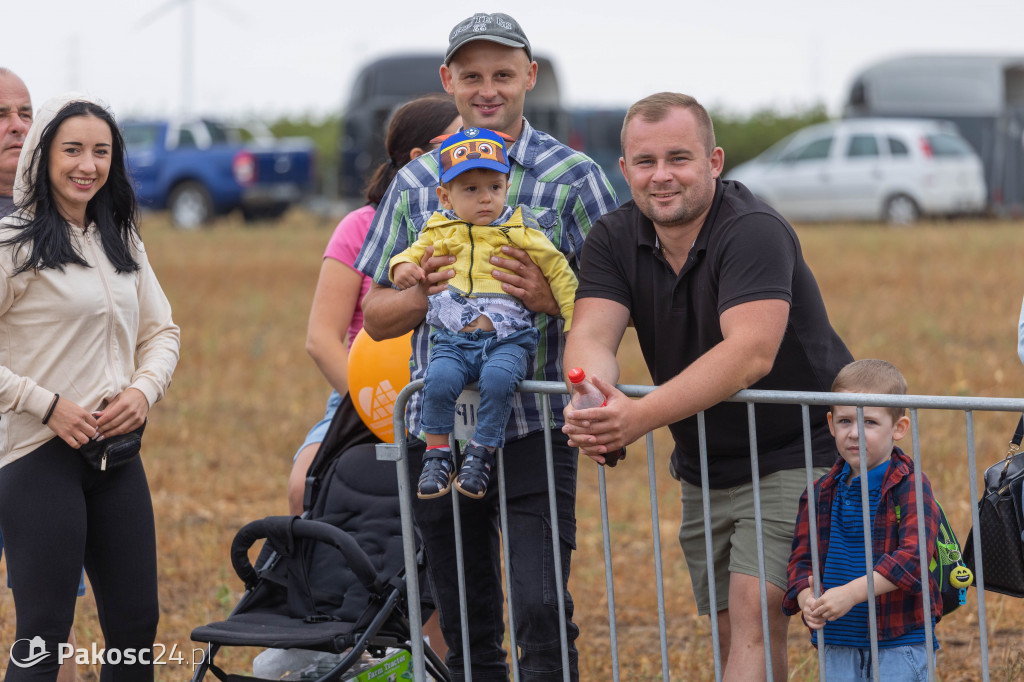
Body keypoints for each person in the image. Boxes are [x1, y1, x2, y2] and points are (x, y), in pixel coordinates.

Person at [355, 12, 616, 680]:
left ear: (530, 76)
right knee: (466, 614)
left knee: (539, 604)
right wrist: (424, 295)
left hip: (534, 424)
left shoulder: (573, 177)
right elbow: (376, 318)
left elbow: (617, 306)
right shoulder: (415, 184)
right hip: (441, 425)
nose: (488, 88)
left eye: (504, 73)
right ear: (449, 81)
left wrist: (545, 297)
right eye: (472, 75)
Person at [561, 92, 852, 682]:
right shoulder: (613, 238)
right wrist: (592, 398)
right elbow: (593, 331)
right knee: (730, 628)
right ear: (624, 170)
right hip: (705, 462)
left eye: (679, 158)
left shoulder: (753, 230)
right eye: (645, 162)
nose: (661, 176)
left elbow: (750, 353)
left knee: (754, 613)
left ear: (714, 161)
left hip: (797, 449)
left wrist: (637, 418)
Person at [0, 93, 180, 682]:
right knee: (44, 636)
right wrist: (44, 405)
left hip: (116, 458)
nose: (87, 165)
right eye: (72, 149)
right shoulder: (13, 243)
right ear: (42, 155)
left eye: (101, 152)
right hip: (35, 456)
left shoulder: (121, 239)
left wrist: (143, 391)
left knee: (135, 626)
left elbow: (162, 332)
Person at [286, 94, 461, 516]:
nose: (469, 153)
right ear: (420, 157)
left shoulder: (476, 227)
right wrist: (376, 410)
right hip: (368, 392)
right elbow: (321, 339)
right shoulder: (359, 226)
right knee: (302, 486)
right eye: (455, 145)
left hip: (450, 391)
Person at [389, 127, 577, 500]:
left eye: (494, 186)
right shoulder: (439, 229)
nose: (485, 199)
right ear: (446, 196)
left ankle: (481, 451)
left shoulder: (520, 229)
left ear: (507, 186)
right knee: (437, 381)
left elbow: (558, 270)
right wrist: (402, 270)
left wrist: (574, 318)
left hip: (508, 337)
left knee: (498, 381)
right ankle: (437, 453)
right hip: (454, 339)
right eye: (470, 190)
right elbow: (408, 254)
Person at [0, 69, 85, 682]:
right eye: (0, 115)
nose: (17, 127)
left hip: (43, 445)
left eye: (26, 113)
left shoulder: (66, 216)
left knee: (48, 616)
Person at [784, 359, 941, 681]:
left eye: (869, 422)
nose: (854, 433)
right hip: (837, 640)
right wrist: (806, 597)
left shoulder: (910, 485)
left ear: (898, 428)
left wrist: (852, 593)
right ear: (830, 424)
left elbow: (914, 557)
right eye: (844, 421)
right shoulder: (819, 491)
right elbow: (801, 559)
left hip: (899, 641)